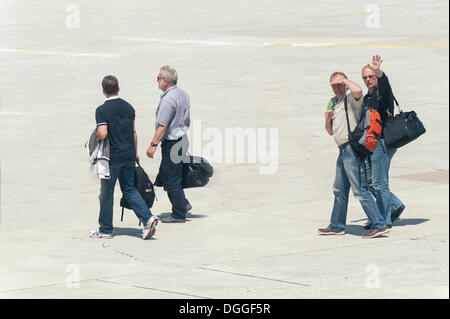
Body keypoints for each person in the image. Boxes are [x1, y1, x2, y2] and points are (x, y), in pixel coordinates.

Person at [319, 71, 390, 238]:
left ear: (345, 84)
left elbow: (358, 91)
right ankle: (336, 225)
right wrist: (327, 119)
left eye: (339, 84)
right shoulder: (333, 103)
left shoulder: (351, 99)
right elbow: (330, 132)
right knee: (339, 190)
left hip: (351, 150)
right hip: (342, 150)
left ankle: (379, 224)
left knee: (360, 190)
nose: (336, 88)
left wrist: (344, 80)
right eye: (333, 85)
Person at [89, 75, 158, 239]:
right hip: (128, 154)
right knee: (129, 189)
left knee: (106, 193)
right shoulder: (129, 107)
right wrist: (135, 153)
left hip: (112, 158)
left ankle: (105, 230)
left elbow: (103, 133)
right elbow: (133, 132)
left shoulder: (102, 110)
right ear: (118, 88)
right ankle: (148, 218)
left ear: (103, 91)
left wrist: (96, 134)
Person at [361, 55, 405, 229]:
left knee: (380, 183)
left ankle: (383, 220)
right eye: (365, 77)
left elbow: (384, 81)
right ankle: (394, 205)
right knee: (370, 182)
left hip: (383, 142)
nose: (368, 79)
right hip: (371, 144)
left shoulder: (383, 92)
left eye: (371, 76)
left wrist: (378, 70)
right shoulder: (367, 97)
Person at [146, 66, 192, 223]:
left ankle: (179, 213)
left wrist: (153, 144)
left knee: (171, 179)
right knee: (167, 174)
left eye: (158, 78)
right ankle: (183, 203)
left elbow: (162, 126)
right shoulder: (183, 94)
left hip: (172, 143)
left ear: (165, 82)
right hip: (182, 139)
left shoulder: (168, 100)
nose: (157, 80)